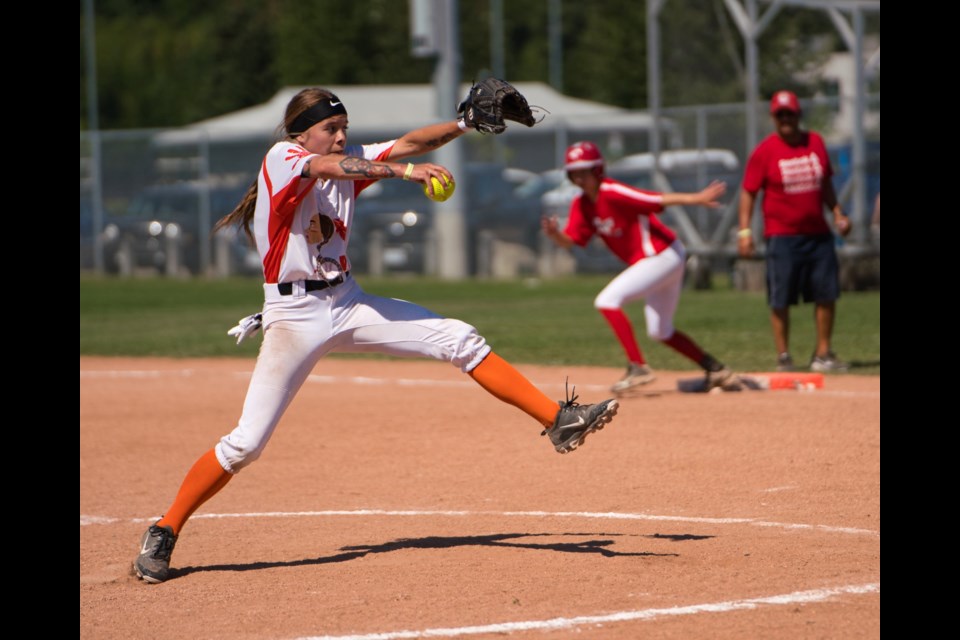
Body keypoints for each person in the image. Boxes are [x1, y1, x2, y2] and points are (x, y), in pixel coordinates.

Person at [133, 88, 619, 584]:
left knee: (459, 338)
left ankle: (558, 420)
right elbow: (334, 169)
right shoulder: (285, 156)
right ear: (303, 131)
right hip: (294, 315)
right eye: (331, 128)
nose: (341, 136)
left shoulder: (347, 157)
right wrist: (408, 175)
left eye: (344, 127)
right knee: (246, 445)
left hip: (346, 302)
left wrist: (465, 124)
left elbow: (410, 143)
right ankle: (164, 528)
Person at [541, 141, 734, 395]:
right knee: (660, 330)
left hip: (661, 254)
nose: (580, 177)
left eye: (585, 171)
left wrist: (696, 198)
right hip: (660, 259)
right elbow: (573, 241)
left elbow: (655, 199)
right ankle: (716, 369)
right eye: (574, 173)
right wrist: (555, 235)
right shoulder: (582, 205)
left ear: (598, 170)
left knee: (607, 300)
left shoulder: (612, 191)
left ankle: (638, 367)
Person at [737, 90, 852, 373]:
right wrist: (744, 231)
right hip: (782, 236)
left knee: (826, 293)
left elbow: (825, 184)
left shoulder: (815, 143)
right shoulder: (765, 151)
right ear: (774, 117)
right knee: (781, 297)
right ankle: (784, 356)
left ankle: (822, 354)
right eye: (780, 114)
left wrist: (837, 212)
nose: (786, 119)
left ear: (798, 114)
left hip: (818, 234)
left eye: (790, 113)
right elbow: (748, 192)